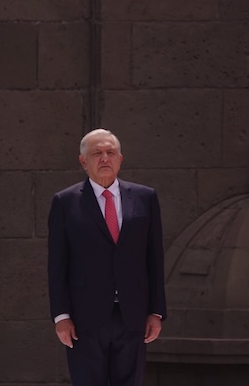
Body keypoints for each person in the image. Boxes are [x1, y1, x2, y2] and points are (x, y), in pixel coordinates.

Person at [47, 128, 166, 386]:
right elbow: (57, 265)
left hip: (133, 315)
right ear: (83, 161)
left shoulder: (145, 198)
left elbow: (154, 258)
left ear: (120, 159)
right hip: (84, 319)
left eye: (110, 153)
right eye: (97, 153)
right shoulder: (65, 203)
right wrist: (61, 316)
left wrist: (156, 311)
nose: (104, 159)